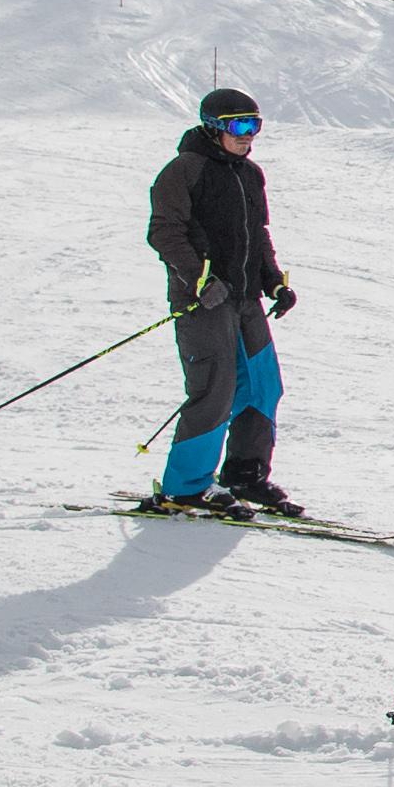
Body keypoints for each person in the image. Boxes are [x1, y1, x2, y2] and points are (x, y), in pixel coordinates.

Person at [143, 87, 302, 513]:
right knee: (216, 389)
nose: (249, 135)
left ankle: (245, 474)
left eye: (256, 125)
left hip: (245, 298)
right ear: (213, 128)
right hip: (203, 301)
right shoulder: (183, 171)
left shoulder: (250, 174)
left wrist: (273, 283)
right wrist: (198, 280)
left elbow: (258, 235)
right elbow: (164, 232)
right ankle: (186, 485)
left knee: (263, 385)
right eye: (239, 126)